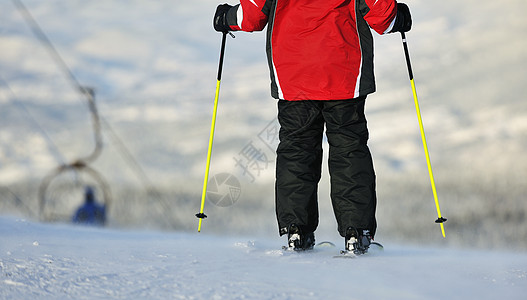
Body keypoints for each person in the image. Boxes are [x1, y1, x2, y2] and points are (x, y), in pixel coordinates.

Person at [213, 1, 412, 253]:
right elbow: (383, 17)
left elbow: (251, 16)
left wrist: (225, 17)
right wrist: (400, 17)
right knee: (349, 148)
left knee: (296, 149)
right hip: (344, 70)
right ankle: (356, 232)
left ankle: (297, 231)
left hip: (293, 73)